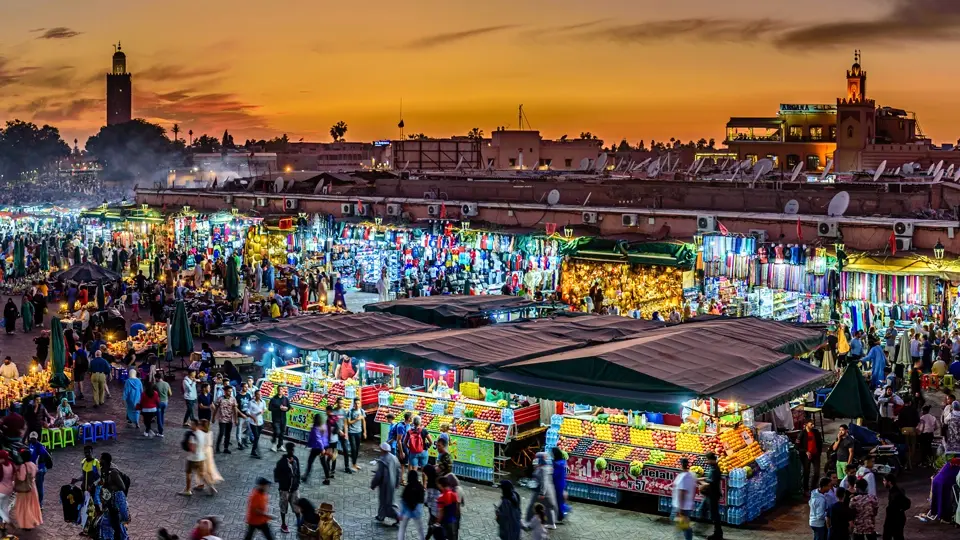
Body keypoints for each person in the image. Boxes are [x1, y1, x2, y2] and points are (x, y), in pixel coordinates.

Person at [98, 453, 130, 540]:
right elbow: (104, 483)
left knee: (116, 524)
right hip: (110, 502)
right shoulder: (103, 470)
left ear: (105, 461)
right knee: (107, 523)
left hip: (117, 503)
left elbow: (122, 487)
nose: (99, 461)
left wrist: (109, 487)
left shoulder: (113, 472)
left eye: (101, 459)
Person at [523, 453, 557, 530]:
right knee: (549, 507)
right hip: (548, 492)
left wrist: (542, 493)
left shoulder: (542, 469)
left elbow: (544, 481)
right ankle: (552, 524)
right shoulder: (546, 467)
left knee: (532, 505)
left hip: (541, 491)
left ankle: (528, 522)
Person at [273, 442, 301, 534]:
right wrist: (284, 479)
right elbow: (276, 476)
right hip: (284, 489)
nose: (292, 452)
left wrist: (297, 482)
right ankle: (283, 524)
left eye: (293, 450)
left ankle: (299, 524)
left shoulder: (296, 459)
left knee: (297, 508)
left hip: (294, 489)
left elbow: (298, 473)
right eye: (291, 450)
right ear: (288, 450)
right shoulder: (281, 462)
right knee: (283, 507)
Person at [372, 442, 401, 525]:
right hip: (392, 483)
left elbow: (378, 475)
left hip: (384, 484)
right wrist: (397, 482)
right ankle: (381, 515)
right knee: (388, 500)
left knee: (385, 501)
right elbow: (398, 471)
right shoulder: (394, 458)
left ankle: (397, 516)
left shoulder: (383, 460)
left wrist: (373, 484)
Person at [72, 445, 100, 530]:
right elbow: (84, 476)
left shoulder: (96, 463)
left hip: (94, 490)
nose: (87, 454)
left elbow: (100, 477)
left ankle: (96, 526)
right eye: (85, 452)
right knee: (85, 510)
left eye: (89, 452)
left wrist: (93, 485)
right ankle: (86, 528)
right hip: (84, 490)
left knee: (95, 507)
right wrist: (77, 480)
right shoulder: (83, 462)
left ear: (92, 452)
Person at [700, 452, 724, 540]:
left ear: (711, 460)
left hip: (713, 495)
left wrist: (703, 484)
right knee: (703, 509)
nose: (706, 461)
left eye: (707, 460)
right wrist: (702, 479)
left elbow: (712, 482)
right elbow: (710, 479)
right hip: (710, 494)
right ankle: (702, 527)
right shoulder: (713, 468)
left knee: (714, 514)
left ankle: (718, 533)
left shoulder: (715, 469)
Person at [302, 413, 330, 485]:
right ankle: (327, 479)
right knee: (323, 463)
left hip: (317, 448)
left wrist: (322, 449)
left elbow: (318, 439)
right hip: (323, 446)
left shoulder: (315, 428)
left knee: (310, 461)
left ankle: (306, 476)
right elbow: (325, 437)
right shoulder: (324, 426)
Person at [671, 457, 696, 540]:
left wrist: (680, 509)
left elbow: (682, 492)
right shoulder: (692, 474)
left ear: (681, 465)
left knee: (684, 527)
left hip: (681, 506)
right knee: (683, 526)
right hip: (688, 505)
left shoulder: (683, 477)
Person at [797, 419, 824, 493]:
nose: (813, 425)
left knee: (817, 472)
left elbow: (820, 442)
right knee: (806, 472)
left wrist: (819, 452)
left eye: (813, 424)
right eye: (811, 424)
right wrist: (806, 451)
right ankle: (805, 489)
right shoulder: (802, 433)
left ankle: (813, 488)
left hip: (815, 455)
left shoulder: (816, 432)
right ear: (806, 424)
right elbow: (798, 446)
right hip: (806, 456)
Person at [403, 415, 431, 485]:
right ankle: (424, 485)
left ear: (413, 422)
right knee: (424, 470)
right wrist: (427, 446)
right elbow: (431, 441)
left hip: (413, 453)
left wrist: (409, 447)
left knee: (414, 469)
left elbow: (404, 442)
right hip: (423, 452)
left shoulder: (409, 431)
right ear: (420, 422)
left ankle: (413, 485)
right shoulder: (424, 431)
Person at [398, 469, 426, 540]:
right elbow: (422, 501)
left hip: (407, 511)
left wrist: (401, 513)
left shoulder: (408, 487)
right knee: (420, 529)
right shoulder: (420, 487)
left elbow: (403, 501)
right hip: (416, 512)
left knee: (402, 528)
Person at [181, 420, 206, 496]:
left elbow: (193, 449)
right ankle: (207, 485)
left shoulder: (193, 435)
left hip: (193, 458)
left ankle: (188, 490)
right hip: (201, 457)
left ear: (196, 425)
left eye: (192, 424)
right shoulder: (202, 433)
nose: (190, 426)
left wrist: (187, 446)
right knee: (201, 473)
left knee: (188, 473)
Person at [27, 431, 52, 508]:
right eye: (32, 438)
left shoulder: (39, 446)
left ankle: (40, 504)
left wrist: (39, 467)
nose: (33, 440)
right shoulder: (30, 445)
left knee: (39, 486)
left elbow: (44, 455)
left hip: (39, 470)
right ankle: (34, 502)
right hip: (33, 469)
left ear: (36, 439)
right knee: (34, 487)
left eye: (34, 438)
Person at [881, 475, 909, 540]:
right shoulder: (897, 490)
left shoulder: (895, 494)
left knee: (891, 536)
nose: (883, 482)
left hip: (894, 519)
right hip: (898, 517)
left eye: (884, 481)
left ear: (889, 482)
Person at [213, 384, 239, 454]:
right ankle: (217, 447)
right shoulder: (220, 399)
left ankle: (226, 448)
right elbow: (216, 408)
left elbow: (235, 409)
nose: (230, 393)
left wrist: (236, 419)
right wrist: (213, 417)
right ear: (225, 391)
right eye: (228, 391)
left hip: (229, 420)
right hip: (222, 419)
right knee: (221, 433)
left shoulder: (233, 399)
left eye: (231, 391)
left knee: (228, 434)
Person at [435, 476, 459, 540]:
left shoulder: (441, 497)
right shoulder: (454, 494)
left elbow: (441, 513)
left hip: (445, 522)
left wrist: (437, 523)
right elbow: (457, 508)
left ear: (440, 484)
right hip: (453, 521)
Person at [551, 446, 570, 522]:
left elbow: (555, 475)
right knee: (560, 499)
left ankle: (561, 515)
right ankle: (564, 510)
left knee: (558, 500)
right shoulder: (562, 461)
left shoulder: (557, 464)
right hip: (562, 482)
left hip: (558, 484)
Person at [346, 397, 365, 472]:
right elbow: (348, 422)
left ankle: (355, 463)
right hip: (352, 432)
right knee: (353, 448)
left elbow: (364, 421)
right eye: (356, 403)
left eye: (358, 403)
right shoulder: (350, 412)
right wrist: (356, 419)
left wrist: (365, 431)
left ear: (360, 404)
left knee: (357, 449)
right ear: (353, 404)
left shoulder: (362, 411)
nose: (357, 405)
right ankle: (353, 465)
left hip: (359, 432)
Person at [269, 386, 290, 452]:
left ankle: (280, 445)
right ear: (277, 390)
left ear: (283, 390)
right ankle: (274, 444)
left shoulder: (285, 399)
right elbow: (270, 408)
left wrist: (286, 408)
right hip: (276, 418)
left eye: (281, 389)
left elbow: (289, 407)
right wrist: (279, 408)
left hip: (283, 419)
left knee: (282, 432)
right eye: (279, 389)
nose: (280, 390)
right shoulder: (273, 399)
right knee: (277, 431)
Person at [247, 389, 266, 458]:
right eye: (258, 394)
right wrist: (253, 418)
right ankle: (254, 451)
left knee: (257, 437)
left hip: (260, 422)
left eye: (261, 394)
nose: (260, 396)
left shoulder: (263, 402)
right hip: (253, 422)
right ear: (255, 395)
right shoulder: (251, 402)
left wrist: (262, 412)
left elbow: (264, 408)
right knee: (256, 436)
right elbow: (247, 412)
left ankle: (253, 451)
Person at [154, 372, 171, 437]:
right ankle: (162, 426)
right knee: (162, 415)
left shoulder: (156, 385)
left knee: (158, 417)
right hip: (165, 402)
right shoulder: (167, 384)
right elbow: (170, 393)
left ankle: (160, 432)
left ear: (157, 378)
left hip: (159, 402)